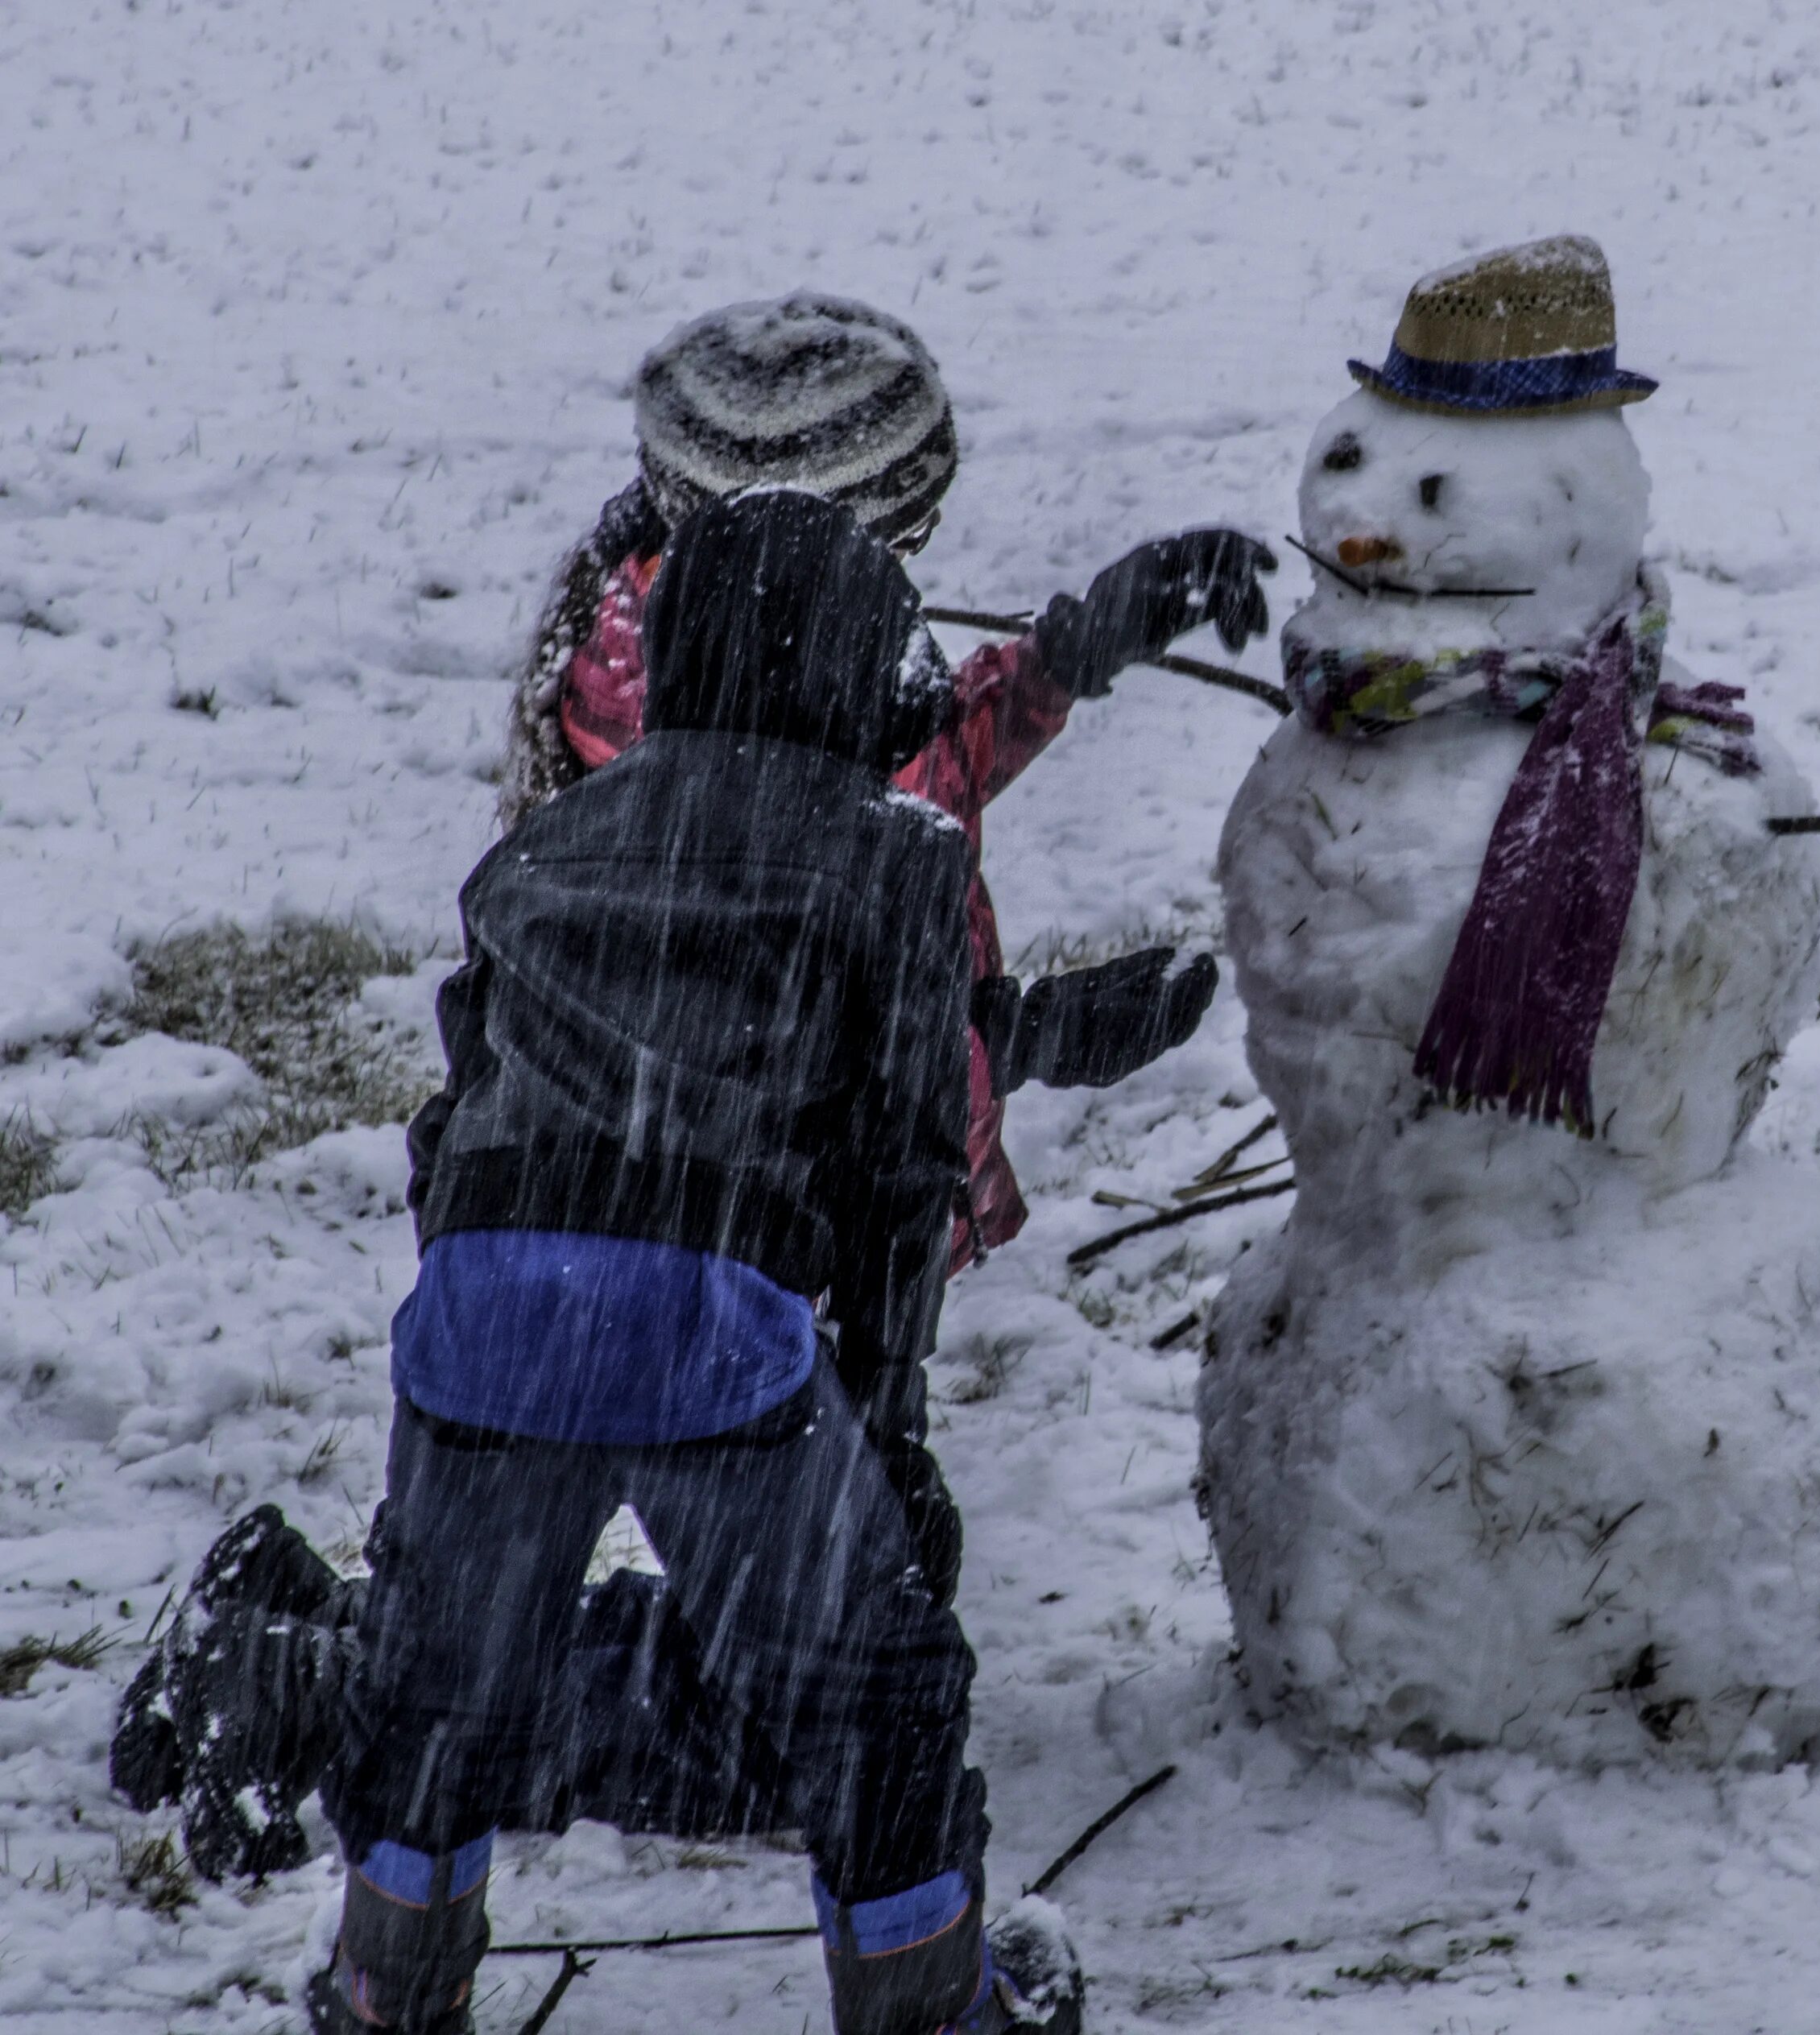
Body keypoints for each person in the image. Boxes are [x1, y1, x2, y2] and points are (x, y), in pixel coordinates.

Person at [312, 490, 1073, 2035]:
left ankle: (391, 1988)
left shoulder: (547, 845)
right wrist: (889, 1421)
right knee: (875, 1684)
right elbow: (900, 1164)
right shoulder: (894, 854)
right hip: (703, 1309)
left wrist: (486, 1319)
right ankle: (933, 2006)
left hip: (479, 1302)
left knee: (439, 1678)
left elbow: (455, 1116)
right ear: (863, 666)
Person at [503, 290, 1272, 1271]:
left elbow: (921, 773)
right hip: (759, 1254)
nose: (910, 572)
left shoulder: (750, 642)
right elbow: (784, 1056)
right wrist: (1025, 1035)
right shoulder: (670, 713)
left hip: (809, 1229)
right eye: (899, 543)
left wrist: (1070, 656)